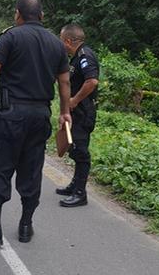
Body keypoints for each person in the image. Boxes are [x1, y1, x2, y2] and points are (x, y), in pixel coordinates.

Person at [0, 0, 71, 247]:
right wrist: (65, 112)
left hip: (11, 114)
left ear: (18, 14)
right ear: (42, 16)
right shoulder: (56, 44)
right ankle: (26, 225)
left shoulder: (11, 37)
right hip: (40, 115)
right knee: (32, 168)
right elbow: (65, 81)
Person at [56, 24, 99, 208]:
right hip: (76, 113)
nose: (60, 43)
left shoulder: (85, 56)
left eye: (61, 39)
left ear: (67, 40)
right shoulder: (76, 57)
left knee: (81, 152)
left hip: (83, 112)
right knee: (74, 148)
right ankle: (74, 185)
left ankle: (81, 193)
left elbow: (92, 81)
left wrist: (74, 100)